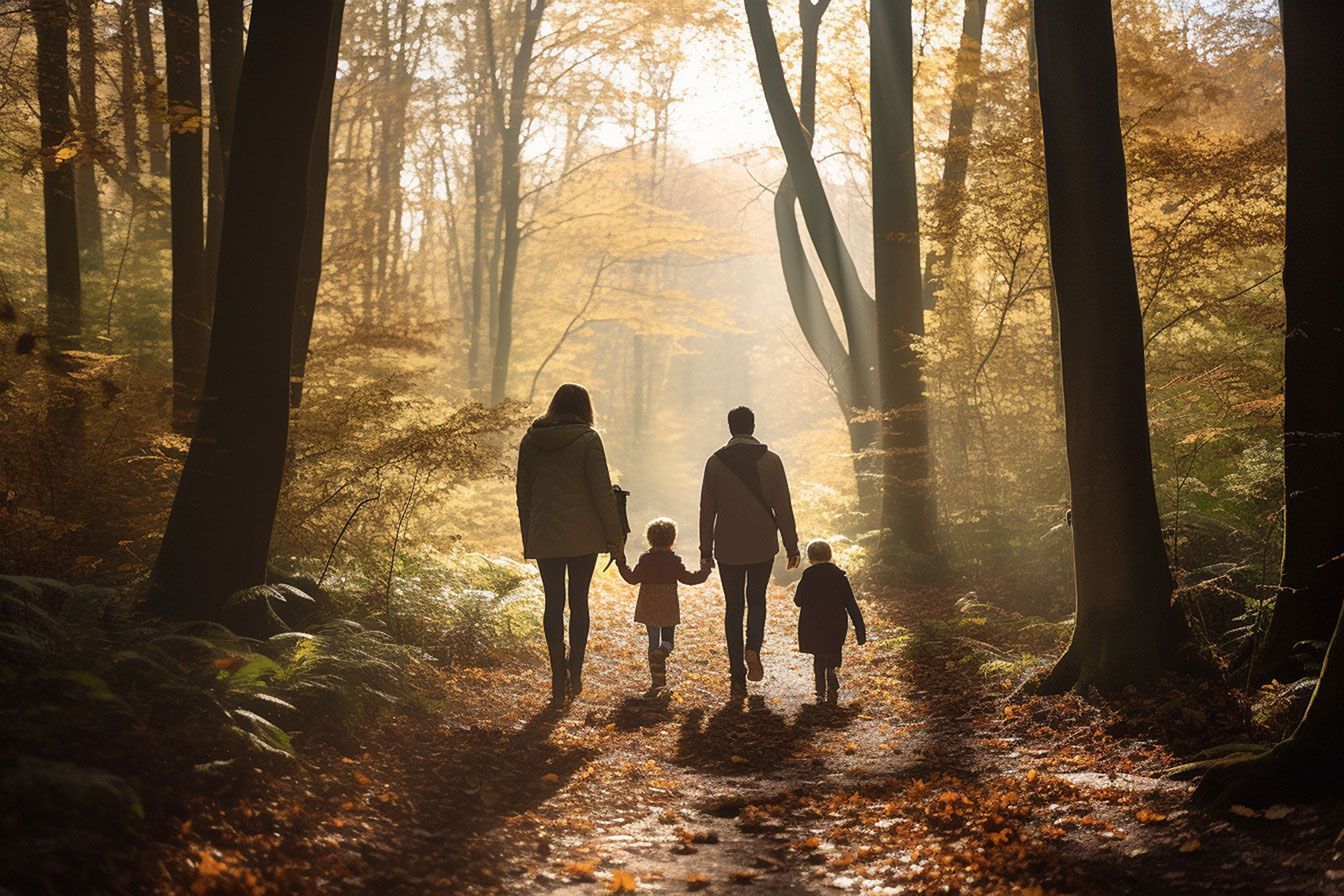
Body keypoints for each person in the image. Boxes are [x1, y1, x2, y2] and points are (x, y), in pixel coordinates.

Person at [516, 383, 624, 707]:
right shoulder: (589, 439)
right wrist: (615, 538)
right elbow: (602, 492)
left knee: (553, 602)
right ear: (584, 408)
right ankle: (574, 672)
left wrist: (529, 536)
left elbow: (524, 493)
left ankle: (556, 674)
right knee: (579, 601)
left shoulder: (531, 440)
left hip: (545, 534)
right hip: (583, 537)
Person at [699, 405, 799, 697]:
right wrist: (791, 544)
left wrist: (706, 549)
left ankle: (736, 675)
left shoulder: (714, 462)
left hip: (727, 545)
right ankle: (752, 647)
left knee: (733, 607)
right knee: (757, 600)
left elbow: (707, 509)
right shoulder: (772, 461)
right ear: (753, 427)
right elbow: (783, 506)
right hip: (762, 543)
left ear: (730, 428)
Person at [615, 518, 712, 692]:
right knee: (668, 642)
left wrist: (621, 564)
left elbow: (632, 578)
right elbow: (689, 579)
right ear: (672, 540)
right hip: (668, 604)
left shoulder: (645, 560)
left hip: (649, 603)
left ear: (649, 539)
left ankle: (657, 680)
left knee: (652, 641)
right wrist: (705, 571)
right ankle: (662, 653)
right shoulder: (673, 560)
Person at [793, 539, 866, 705]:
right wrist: (860, 631)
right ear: (830, 555)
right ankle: (832, 670)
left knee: (819, 655)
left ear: (810, 557)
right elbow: (851, 604)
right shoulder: (839, 576)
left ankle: (820, 690)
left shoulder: (808, 576)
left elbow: (798, 600)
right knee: (834, 648)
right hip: (836, 621)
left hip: (814, 622)